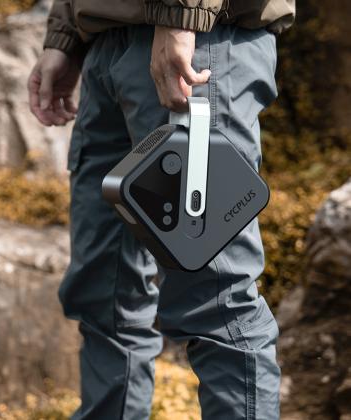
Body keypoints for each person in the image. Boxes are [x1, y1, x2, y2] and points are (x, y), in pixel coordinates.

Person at [27, 1, 295, 419]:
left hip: (195, 39)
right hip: (105, 43)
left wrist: (181, 15)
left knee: (215, 300)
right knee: (104, 294)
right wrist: (65, 35)